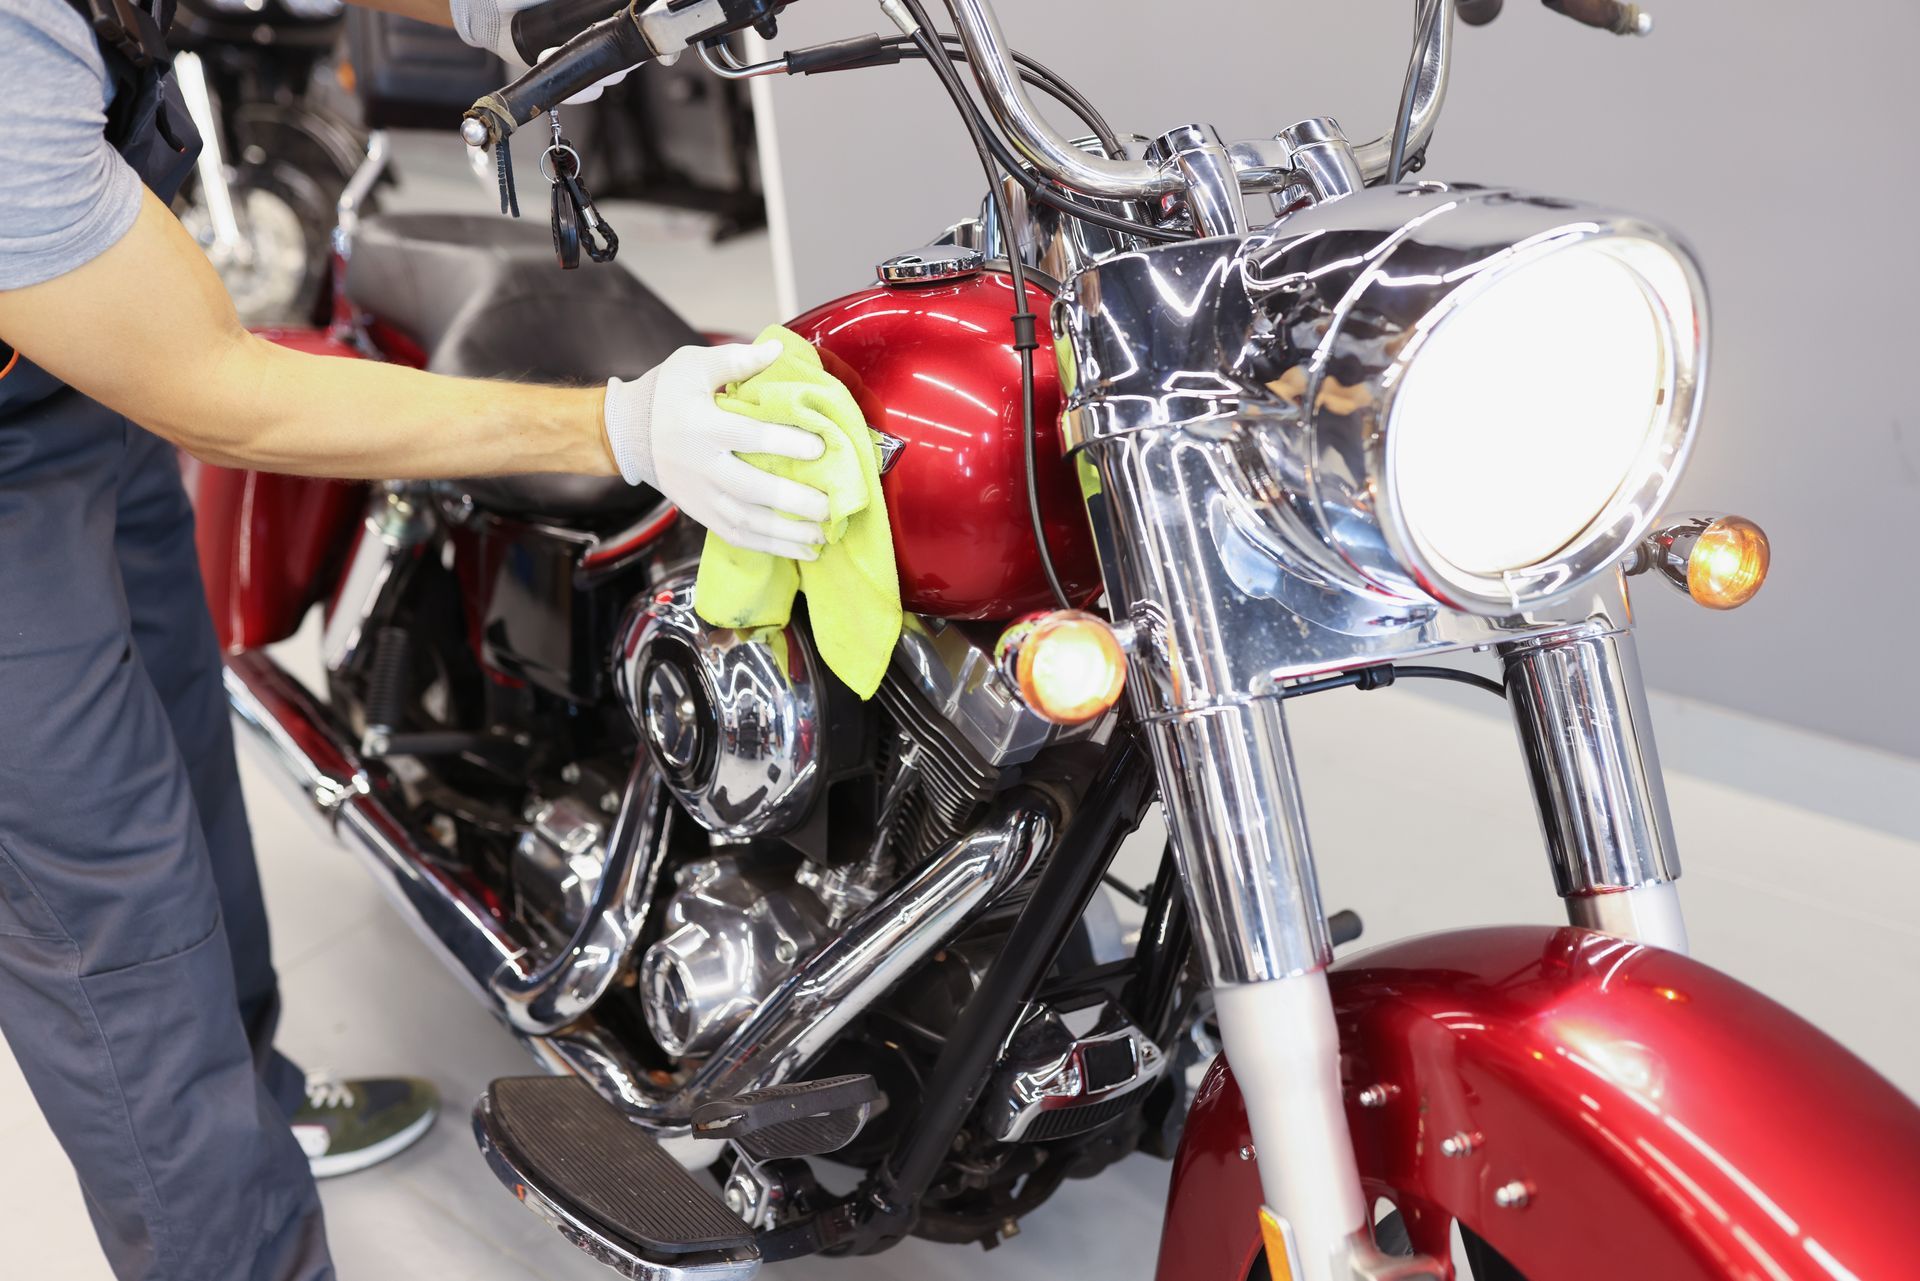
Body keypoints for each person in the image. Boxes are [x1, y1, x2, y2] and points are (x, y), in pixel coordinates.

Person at [0, 0, 828, 1275]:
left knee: (180, 724)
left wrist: (532, 9)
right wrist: (615, 429)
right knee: (109, 913)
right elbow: (218, 387)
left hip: (63, 366)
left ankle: (258, 1097)